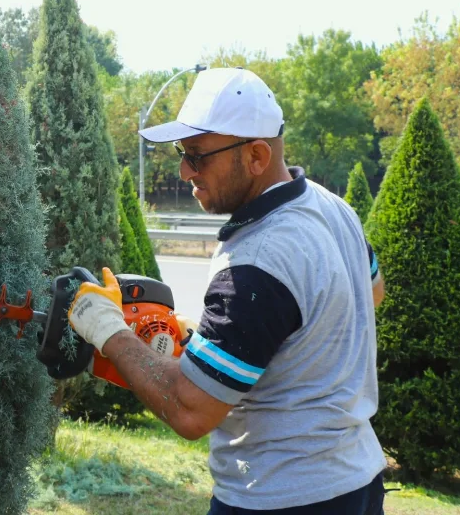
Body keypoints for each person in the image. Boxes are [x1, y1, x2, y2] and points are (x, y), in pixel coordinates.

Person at [67, 67, 387, 514]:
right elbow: (371, 293)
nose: (184, 171)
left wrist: (109, 331)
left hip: (281, 496)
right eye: (182, 153)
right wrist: (229, 343)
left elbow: (190, 410)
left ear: (256, 156)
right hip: (356, 481)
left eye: (197, 156)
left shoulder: (258, 259)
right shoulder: (332, 208)